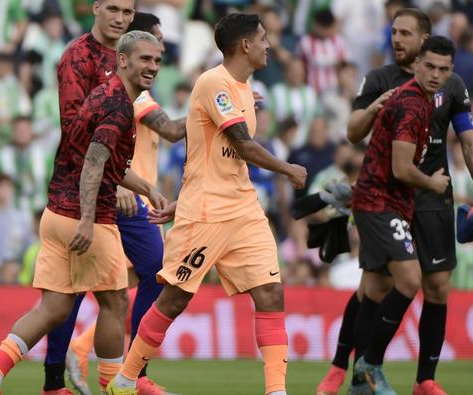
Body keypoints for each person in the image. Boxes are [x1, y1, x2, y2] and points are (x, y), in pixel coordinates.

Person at [107, 13, 307, 395]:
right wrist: (288, 170)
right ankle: (126, 379)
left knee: (271, 292)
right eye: (263, 38)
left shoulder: (244, 88)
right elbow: (243, 145)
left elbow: (214, 158)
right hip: (207, 213)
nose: (268, 45)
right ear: (245, 45)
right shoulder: (213, 83)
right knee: (175, 298)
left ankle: (276, 391)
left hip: (243, 208)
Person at [0, 30, 164, 395]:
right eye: (144, 59)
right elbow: (94, 163)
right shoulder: (119, 106)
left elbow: (104, 160)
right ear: (122, 60)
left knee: (54, 307)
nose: (152, 66)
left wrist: (148, 188)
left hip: (56, 212)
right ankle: (115, 385)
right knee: (115, 302)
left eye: (157, 60)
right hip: (88, 216)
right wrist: (88, 220)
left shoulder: (103, 96)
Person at [315, 9, 473, 395]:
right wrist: (375, 106)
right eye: (394, 32)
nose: (396, 39)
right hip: (392, 194)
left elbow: (467, 136)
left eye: (405, 33)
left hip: (429, 198)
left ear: (425, 39)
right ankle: (343, 368)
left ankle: (423, 379)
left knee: (438, 287)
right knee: (373, 289)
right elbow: (352, 132)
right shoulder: (384, 80)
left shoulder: (448, 82)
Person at [63, 12, 186, 395]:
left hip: (136, 193)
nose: (158, 55)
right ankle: (120, 372)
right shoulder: (132, 96)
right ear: (133, 50)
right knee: (143, 277)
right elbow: (170, 130)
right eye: (153, 47)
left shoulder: (134, 92)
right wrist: (218, 107)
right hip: (122, 198)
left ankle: (90, 354)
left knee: (123, 283)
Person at [350, 36, 454, 395]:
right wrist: (434, 183)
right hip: (380, 202)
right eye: (430, 66)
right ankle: (370, 365)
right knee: (410, 280)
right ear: (418, 64)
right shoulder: (412, 104)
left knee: (376, 288)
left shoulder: (419, 99)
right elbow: (401, 169)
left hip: (381, 202)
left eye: (444, 69)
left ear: (450, 71)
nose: (436, 75)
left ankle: (358, 384)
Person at [41, 1, 135, 394]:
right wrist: (119, 179)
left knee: (149, 272)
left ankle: (122, 377)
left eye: (127, 12)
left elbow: (139, 118)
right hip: (83, 193)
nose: (119, 17)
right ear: (95, 7)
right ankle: (65, 380)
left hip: (118, 188)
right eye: (112, 8)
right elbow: (76, 132)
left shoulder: (129, 57)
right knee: (72, 297)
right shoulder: (77, 58)